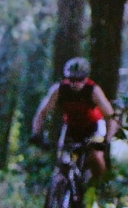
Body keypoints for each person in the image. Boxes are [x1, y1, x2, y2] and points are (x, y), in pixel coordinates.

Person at [29, 58, 117, 193]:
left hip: (94, 126)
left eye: (79, 79)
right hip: (72, 126)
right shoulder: (59, 90)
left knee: (95, 156)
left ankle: (101, 188)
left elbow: (111, 117)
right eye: (71, 79)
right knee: (63, 160)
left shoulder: (93, 90)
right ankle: (61, 192)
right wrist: (36, 133)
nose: (75, 83)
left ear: (86, 78)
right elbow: (42, 112)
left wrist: (107, 140)